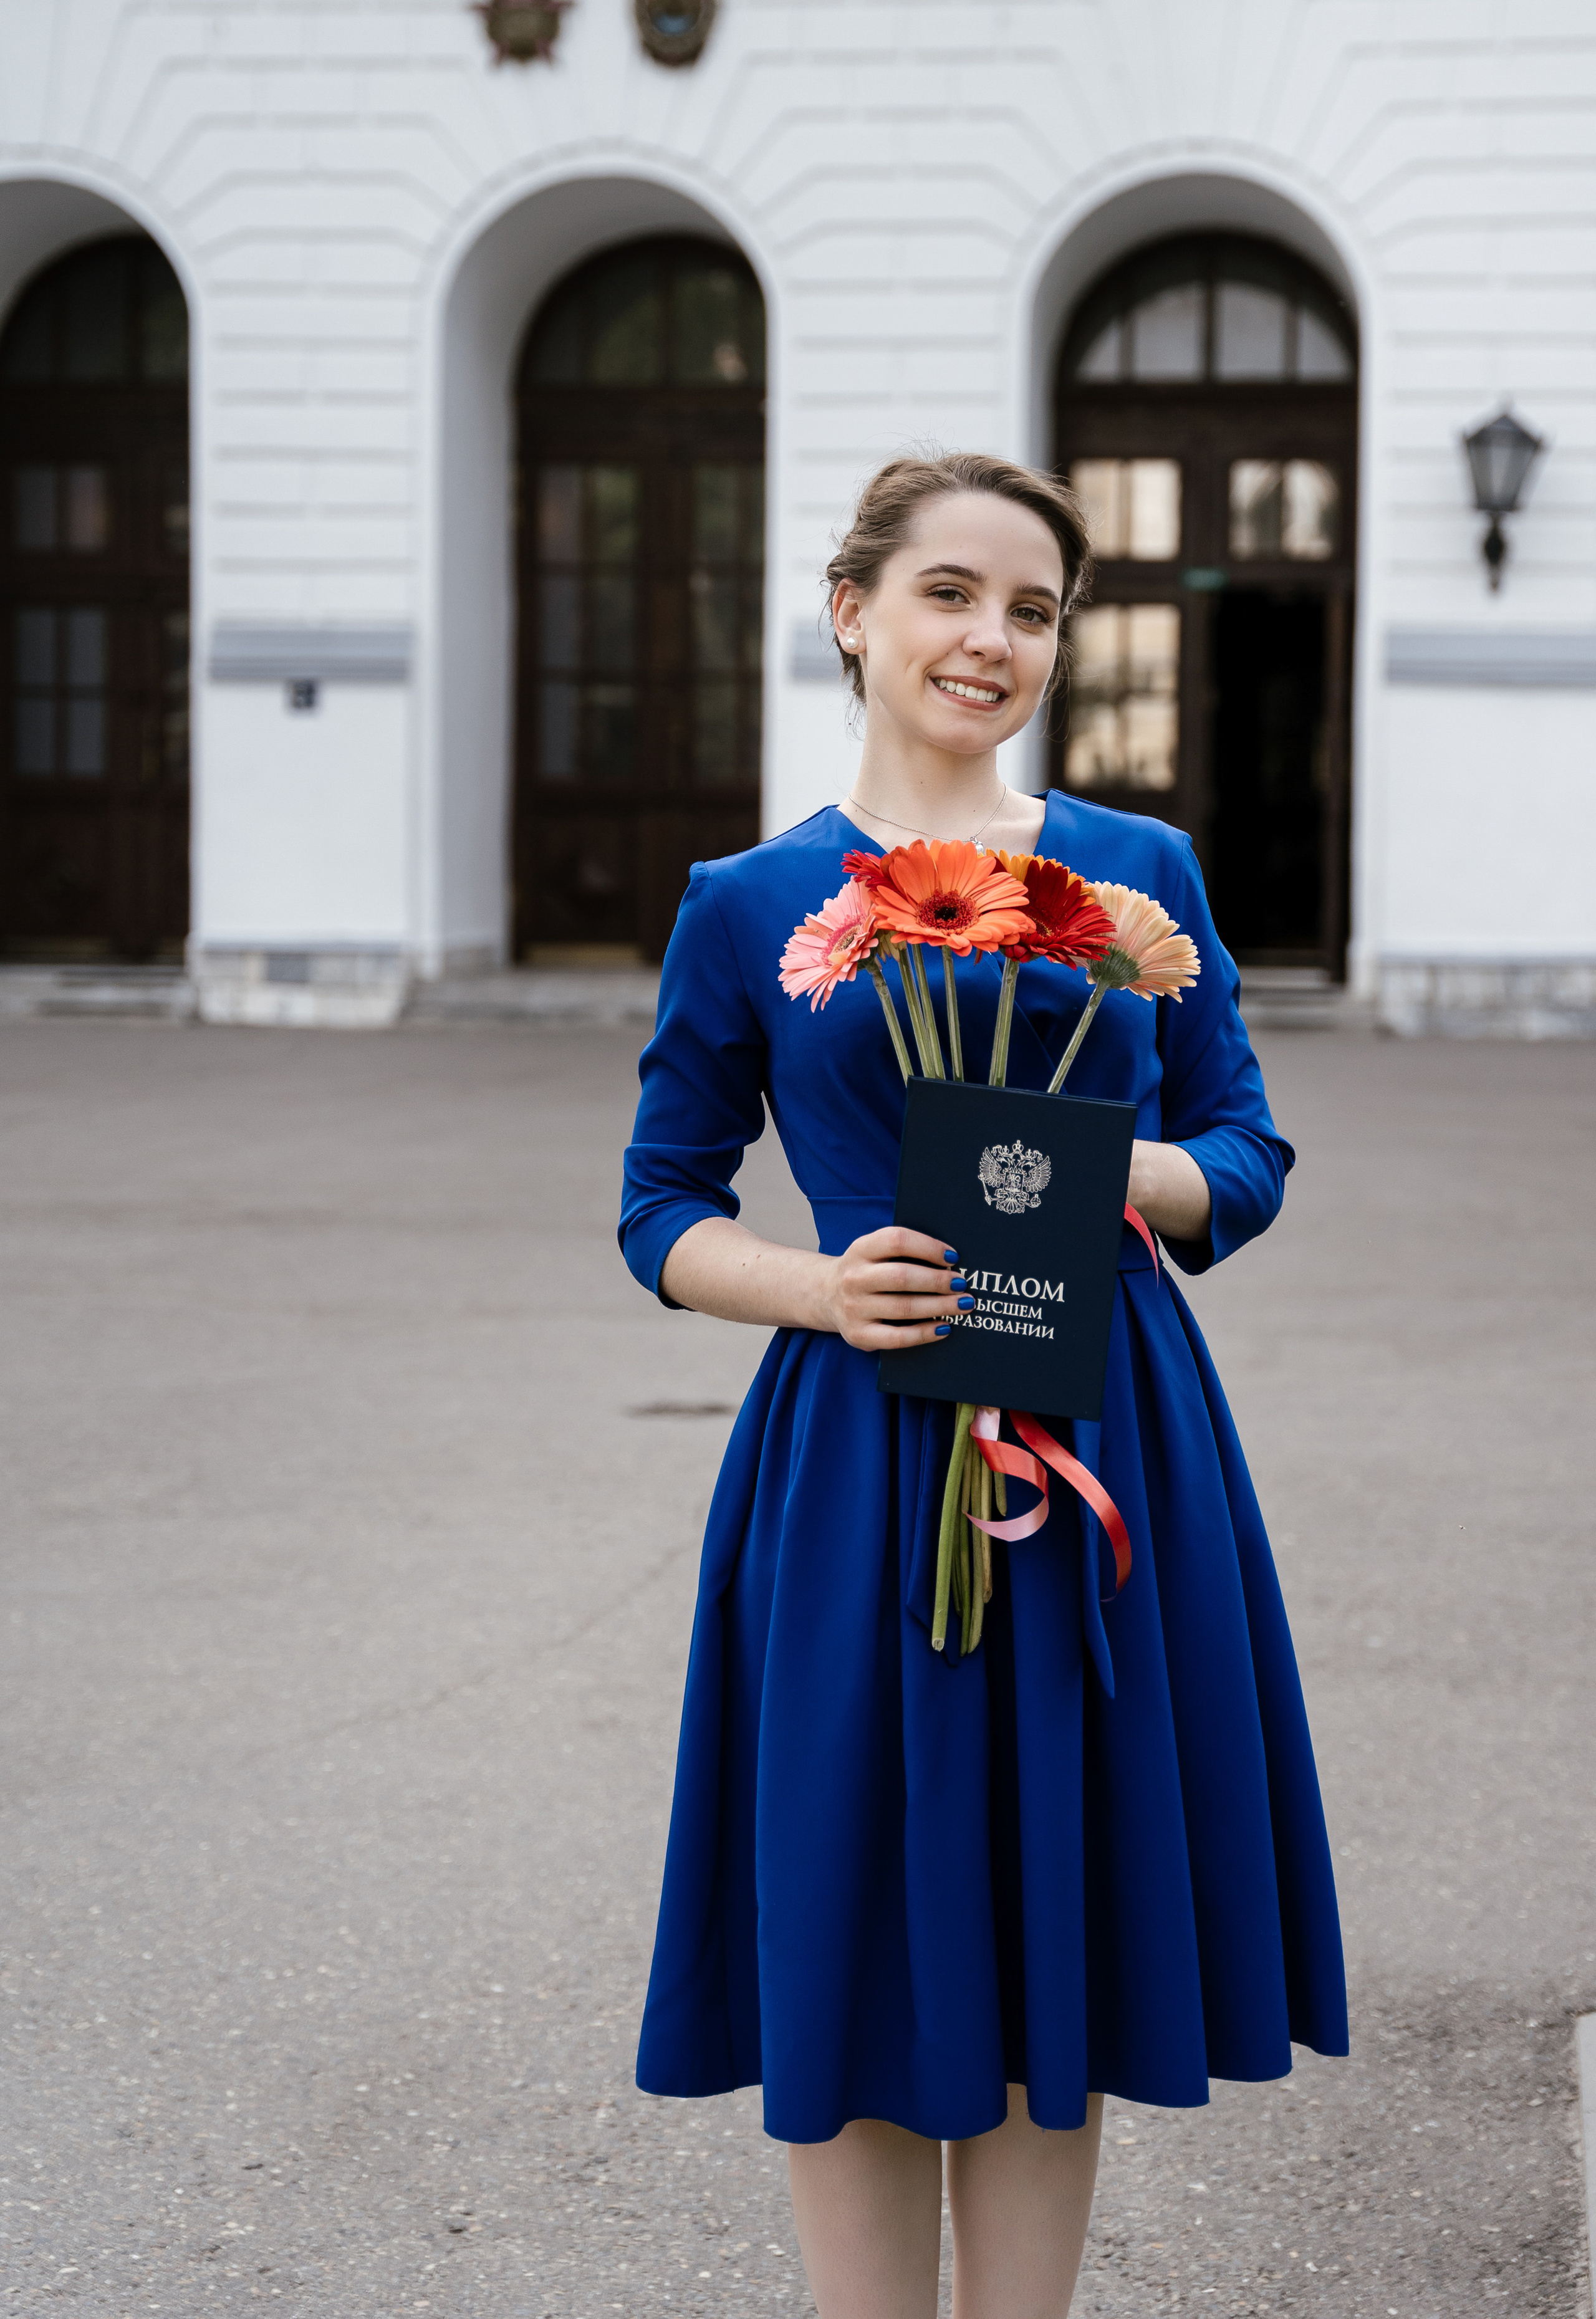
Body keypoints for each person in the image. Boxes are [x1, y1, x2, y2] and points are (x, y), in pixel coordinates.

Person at [618, 451, 1347, 2318]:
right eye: (949, 593)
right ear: (852, 613)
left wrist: (1096, 1178)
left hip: (1109, 1432)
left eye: (1033, 610)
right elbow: (659, 1206)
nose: (990, 639)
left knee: (1050, 1928)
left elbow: (1247, 1157)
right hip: (859, 1455)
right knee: (860, 1916)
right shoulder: (749, 900)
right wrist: (817, 1286)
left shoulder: (1138, 874)